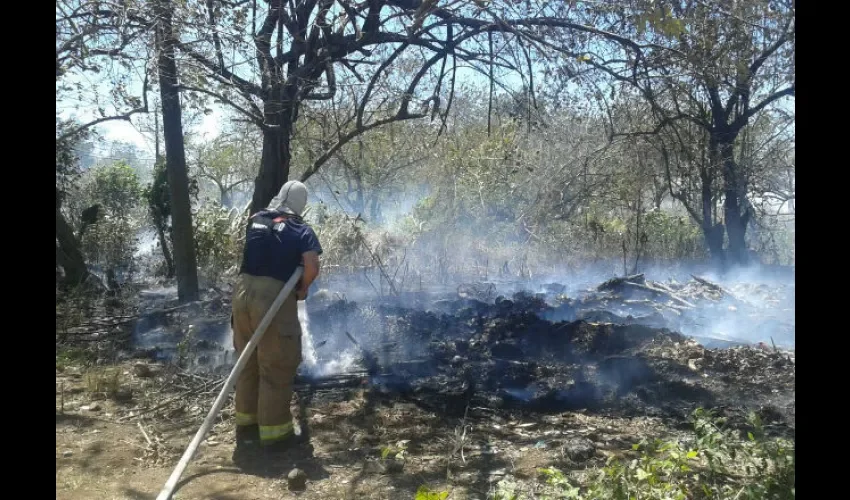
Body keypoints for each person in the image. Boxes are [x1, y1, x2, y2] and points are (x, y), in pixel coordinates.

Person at [230, 180, 322, 459]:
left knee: (247, 360)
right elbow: (312, 265)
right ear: (301, 205)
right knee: (277, 363)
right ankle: (275, 434)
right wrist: (303, 289)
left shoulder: (257, 218)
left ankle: (246, 424)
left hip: (242, 294)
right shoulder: (301, 229)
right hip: (274, 297)